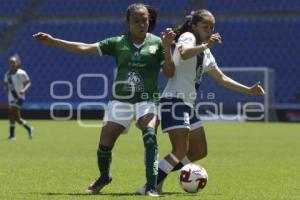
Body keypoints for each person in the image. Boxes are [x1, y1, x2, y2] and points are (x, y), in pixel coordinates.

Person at [33, 3, 175, 196]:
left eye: (145, 21)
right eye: (136, 21)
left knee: (150, 137)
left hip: (147, 100)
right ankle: (104, 176)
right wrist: (54, 41)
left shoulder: (157, 43)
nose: (142, 25)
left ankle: (151, 186)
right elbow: (85, 48)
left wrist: (167, 47)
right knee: (104, 146)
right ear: (128, 22)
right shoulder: (117, 42)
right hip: (120, 101)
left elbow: (169, 71)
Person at [137, 9, 265, 194]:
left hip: (187, 105)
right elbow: (185, 52)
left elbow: (222, 79)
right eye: (205, 26)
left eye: (212, 27)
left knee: (199, 151)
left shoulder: (206, 52)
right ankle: (149, 186)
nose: (209, 30)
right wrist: (206, 45)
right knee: (180, 149)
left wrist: (249, 90)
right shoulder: (188, 37)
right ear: (194, 25)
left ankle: (157, 176)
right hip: (174, 101)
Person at [3, 54, 34, 140]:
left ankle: (13, 136)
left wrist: (24, 90)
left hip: (19, 97)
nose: (12, 64)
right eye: (10, 63)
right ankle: (27, 129)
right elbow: (5, 85)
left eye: (13, 62)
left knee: (12, 114)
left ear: (17, 63)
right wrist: (5, 87)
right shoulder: (7, 74)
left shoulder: (22, 73)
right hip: (11, 97)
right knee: (14, 117)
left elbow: (28, 83)